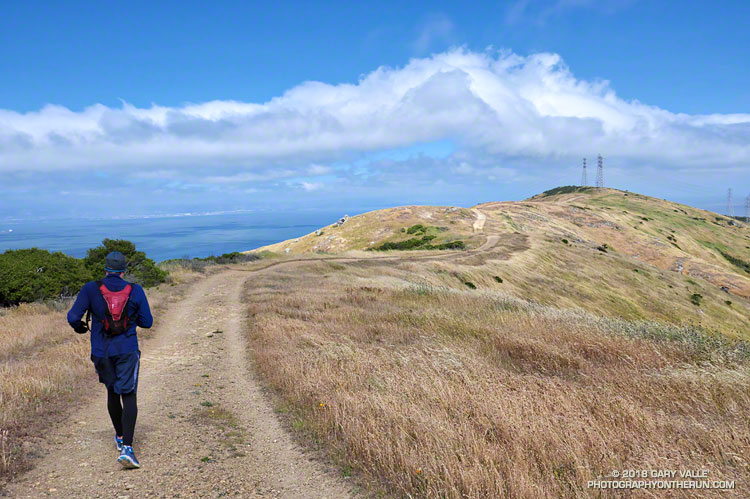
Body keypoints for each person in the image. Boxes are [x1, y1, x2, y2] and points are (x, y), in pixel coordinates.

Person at [67, 251, 153, 469]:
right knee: (129, 393)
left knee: (112, 392)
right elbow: (147, 322)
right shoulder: (136, 290)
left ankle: (119, 436)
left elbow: (72, 317)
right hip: (127, 350)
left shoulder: (90, 288)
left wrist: (81, 328)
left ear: (105, 269)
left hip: (102, 351)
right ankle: (128, 448)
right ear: (124, 271)